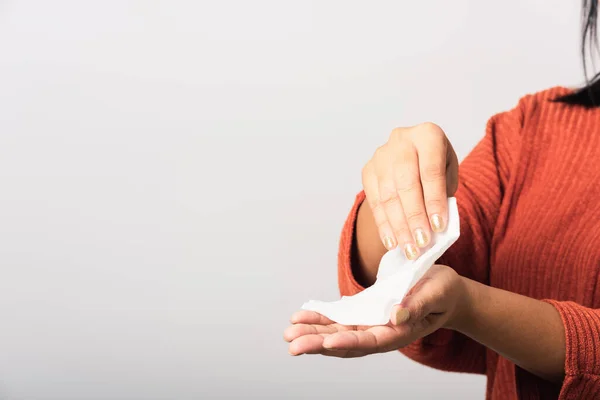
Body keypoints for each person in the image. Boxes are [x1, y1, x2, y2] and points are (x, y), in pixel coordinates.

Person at [284, 2, 600, 399]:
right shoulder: (533, 129)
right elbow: (442, 261)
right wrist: (394, 194)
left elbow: (457, 297)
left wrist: (471, 306)